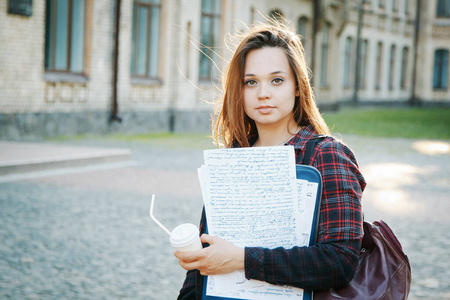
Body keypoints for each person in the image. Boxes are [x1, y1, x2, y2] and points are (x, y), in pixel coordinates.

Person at [174, 20, 366, 299]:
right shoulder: (232, 159)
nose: (263, 93)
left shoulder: (326, 154)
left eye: (277, 80)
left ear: (298, 87)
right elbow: (202, 266)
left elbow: (340, 261)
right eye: (250, 82)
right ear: (238, 91)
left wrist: (243, 259)